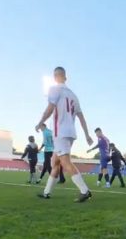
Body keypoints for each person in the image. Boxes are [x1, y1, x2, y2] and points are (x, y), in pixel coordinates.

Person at [34, 67, 94, 202]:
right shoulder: (73, 95)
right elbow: (81, 117)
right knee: (55, 162)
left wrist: (40, 122)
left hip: (60, 132)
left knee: (65, 162)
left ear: (55, 77)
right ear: (65, 77)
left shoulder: (54, 89)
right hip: (70, 132)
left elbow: (49, 109)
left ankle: (85, 191)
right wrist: (87, 135)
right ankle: (46, 192)